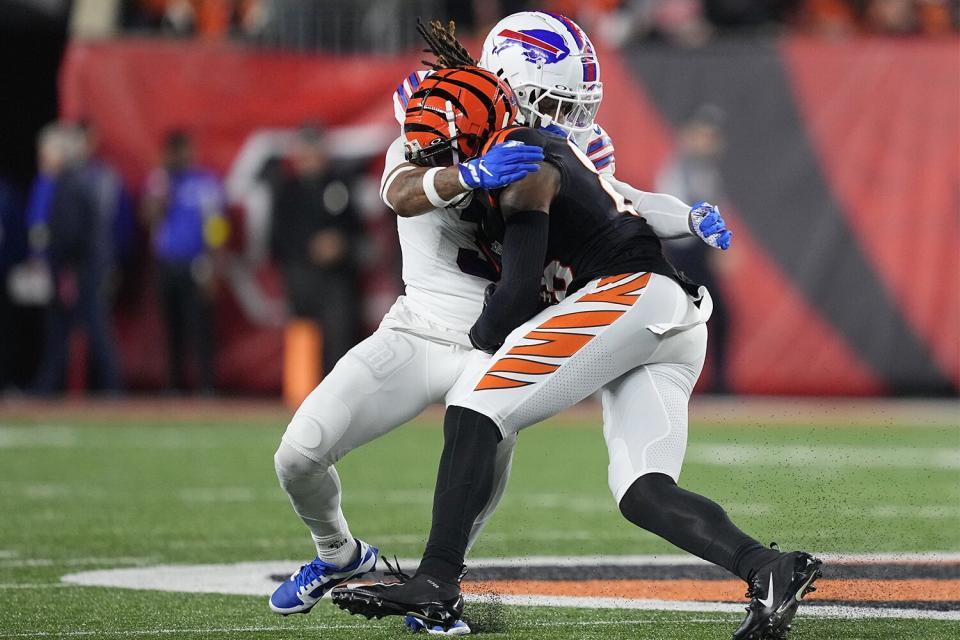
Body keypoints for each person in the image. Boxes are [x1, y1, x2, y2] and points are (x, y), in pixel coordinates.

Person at [268, 14, 731, 636]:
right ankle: (340, 555)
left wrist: (688, 217)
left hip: (507, 337)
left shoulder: (561, 147)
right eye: (555, 101)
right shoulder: (440, 118)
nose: (568, 119)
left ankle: (440, 589)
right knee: (298, 455)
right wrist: (471, 174)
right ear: (510, 83)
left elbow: (624, 198)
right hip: (420, 327)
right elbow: (402, 191)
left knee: (480, 436)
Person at [330, 66, 821, 640]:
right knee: (643, 492)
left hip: (626, 293)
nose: (439, 154)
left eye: (445, 140)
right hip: (673, 312)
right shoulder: (547, 148)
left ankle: (437, 581)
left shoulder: (521, 159)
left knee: (474, 407)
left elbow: (514, 296)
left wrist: (479, 340)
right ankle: (768, 568)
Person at [33, 123, 123, 395]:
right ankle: (48, 386)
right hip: (84, 267)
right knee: (67, 330)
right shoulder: (77, 181)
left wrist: (59, 264)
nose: (43, 158)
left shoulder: (69, 184)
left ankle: (112, 388)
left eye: (47, 152)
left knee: (89, 329)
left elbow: (70, 233)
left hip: (79, 269)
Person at [270, 125, 364, 375]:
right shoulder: (287, 191)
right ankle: (301, 401)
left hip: (336, 278)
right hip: (301, 277)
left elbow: (357, 229)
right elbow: (276, 240)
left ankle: (336, 397)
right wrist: (309, 248)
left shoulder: (339, 185)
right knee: (303, 341)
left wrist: (339, 243)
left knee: (340, 338)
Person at [143, 130, 226, 394]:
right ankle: (173, 386)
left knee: (200, 327)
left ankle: (206, 386)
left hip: (196, 263)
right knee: (171, 327)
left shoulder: (205, 182)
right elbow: (148, 218)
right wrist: (162, 191)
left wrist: (213, 264)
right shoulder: (160, 181)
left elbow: (216, 224)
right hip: (167, 263)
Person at [658, 104, 732, 392]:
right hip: (683, 252)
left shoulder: (705, 170)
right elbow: (676, 215)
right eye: (703, 134)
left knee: (711, 317)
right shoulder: (679, 169)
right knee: (682, 320)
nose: (708, 140)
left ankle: (716, 382)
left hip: (697, 251)